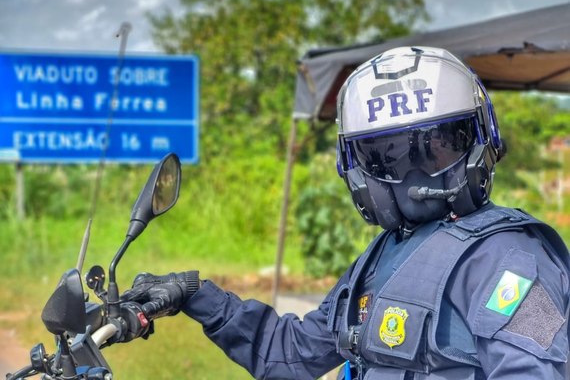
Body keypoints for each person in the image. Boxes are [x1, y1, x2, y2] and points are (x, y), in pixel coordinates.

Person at [121, 46, 570, 379]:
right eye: (388, 156)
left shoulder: (511, 259)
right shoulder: (386, 255)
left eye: (437, 147)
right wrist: (198, 296)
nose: (414, 175)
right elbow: (292, 353)